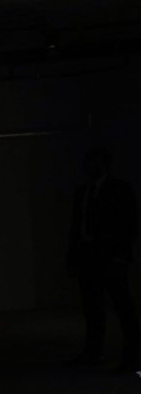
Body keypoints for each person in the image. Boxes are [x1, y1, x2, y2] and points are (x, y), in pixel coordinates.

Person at [66, 146, 139, 371]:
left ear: (105, 164)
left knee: (122, 306)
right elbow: (77, 226)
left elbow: (129, 223)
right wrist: (73, 257)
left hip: (110, 257)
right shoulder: (83, 191)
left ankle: (132, 355)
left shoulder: (119, 189)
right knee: (93, 307)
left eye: (93, 161)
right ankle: (93, 351)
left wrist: (121, 255)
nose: (88, 166)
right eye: (88, 161)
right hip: (89, 257)